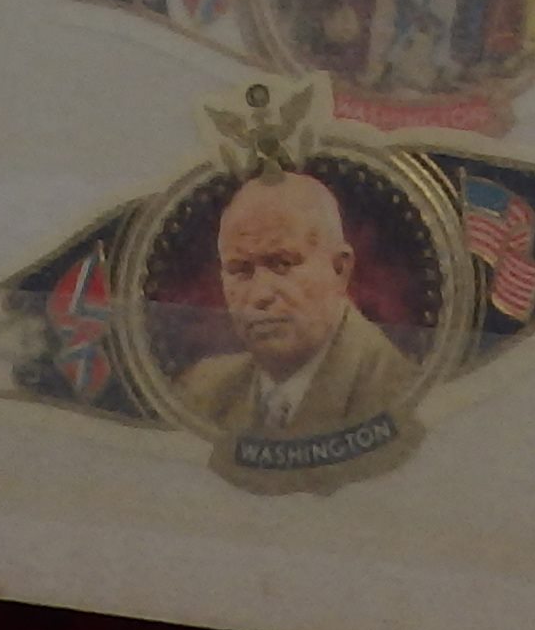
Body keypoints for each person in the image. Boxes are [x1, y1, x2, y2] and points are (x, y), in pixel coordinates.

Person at [178, 167, 420, 445]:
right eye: (240, 269)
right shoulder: (200, 391)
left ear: (339, 269)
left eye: (282, 264)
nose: (260, 295)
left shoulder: (396, 391)